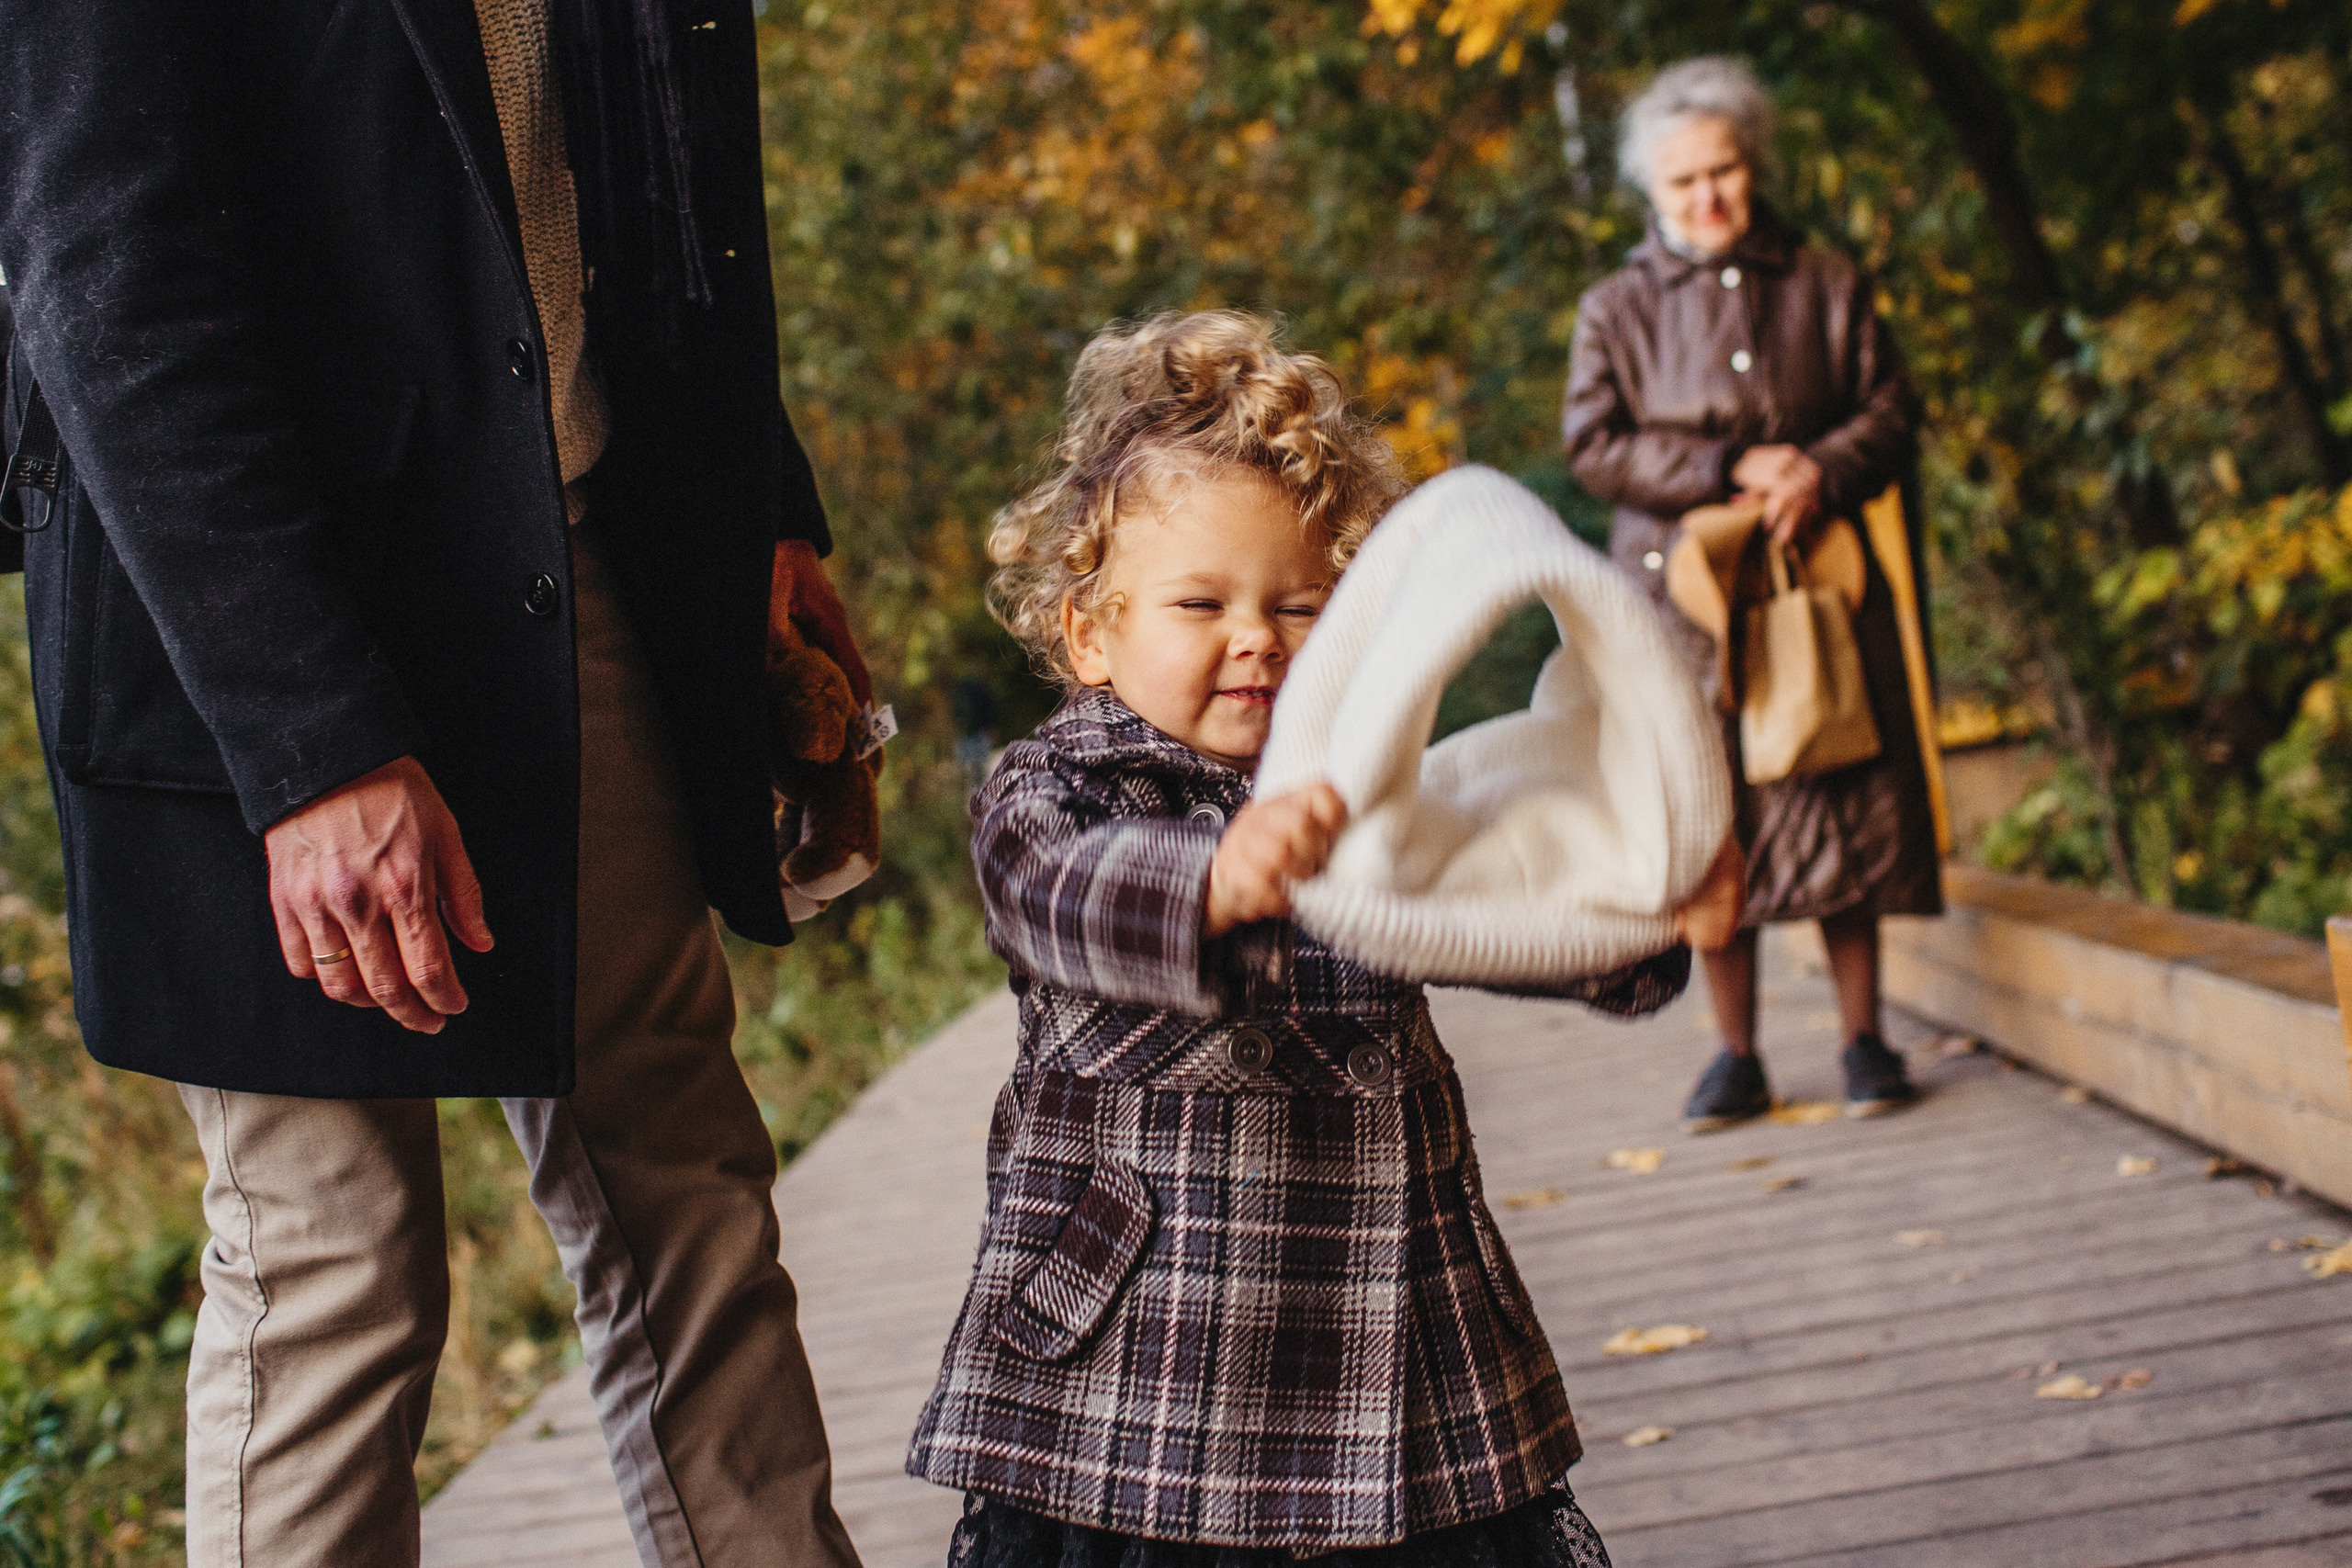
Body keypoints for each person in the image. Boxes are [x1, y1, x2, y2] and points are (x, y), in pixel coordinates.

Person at [0, 3, 866, 1563]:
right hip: (243, 624)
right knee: (337, 1254)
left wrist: (763, 516)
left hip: (575, 543)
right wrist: (311, 744)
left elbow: (662, 176)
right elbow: (102, 271)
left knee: (690, 1192)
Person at [905, 310, 1740, 1566]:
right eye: (1202, 602)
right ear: (1091, 631)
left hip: (1387, 1356)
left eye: (1300, 603)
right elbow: (1053, 890)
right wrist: (1214, 876)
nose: (1257, 636)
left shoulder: (1360, 785)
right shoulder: (1057, 789)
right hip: (1151, 1361)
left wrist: (1653, 915)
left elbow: (1501, 895)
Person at [1563, 56, 1941, 1134]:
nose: (1709, 197)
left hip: (1816, 579)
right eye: (1684, 183)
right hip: (1684, 607)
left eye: (1723, 171)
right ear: (1653, 192)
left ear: (1750, 165)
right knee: (1710, 812)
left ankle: (1865, 1039)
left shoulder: (1826, 279)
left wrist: (1818, 469)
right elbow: (1593, 446)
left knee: (1841, 793)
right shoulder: (1615, 306)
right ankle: (1735, 1057)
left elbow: (1891, 404)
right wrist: (1727, 470)